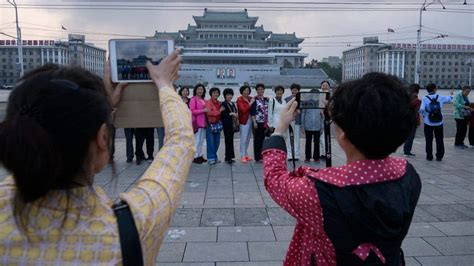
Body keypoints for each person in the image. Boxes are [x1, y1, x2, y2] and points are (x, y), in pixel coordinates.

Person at [0, 49, 195, 264]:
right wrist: (164, 84)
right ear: (103, 138)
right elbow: (180, 140)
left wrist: (104, 108)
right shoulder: (132, 225)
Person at [262, 73, 421, 265]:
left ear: (343, 135)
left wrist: (279, 130)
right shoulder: (408, 174)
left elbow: (275, 179)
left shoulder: (318, 191)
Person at [419, 83, 453, 161]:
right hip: (439, 122)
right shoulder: (440, 97)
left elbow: (421, 109)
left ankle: (429, 156)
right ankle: (439, 156)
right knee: (439, 139)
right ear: (435, 89)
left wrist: (425, 114)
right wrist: (451, 94)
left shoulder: (424, 98)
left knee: (428, 139)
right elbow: (449, 98)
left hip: (428, 122)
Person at [301, 88, 324, 163]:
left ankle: (316, 157)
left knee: (317, 142)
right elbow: (303, 114)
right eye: (313, 93)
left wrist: (322, 127)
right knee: (308, 142)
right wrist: (302, 126)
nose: (315, 95)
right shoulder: (306, 102)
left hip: (317, 126)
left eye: (316, 94)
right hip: (308, 125)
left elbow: (322, 117)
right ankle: (307, 157)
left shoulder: (320, 103)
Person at [250, 83, 269, 163]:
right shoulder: (254, 100)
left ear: (264, 90)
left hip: (265, 123)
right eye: (259, 89)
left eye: (262, 89)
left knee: (263, 140)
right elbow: (253, 112)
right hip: (257, 123)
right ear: (256, 90)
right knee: (257, 140)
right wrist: (254, 122)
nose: (260, 90)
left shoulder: (266, 99)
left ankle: (262, 155)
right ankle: (257, 157)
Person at [190, 84, 208, 164]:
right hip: (196, 122)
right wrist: (202, 111)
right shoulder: (193, 99)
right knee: (196, 140)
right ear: (195, 90)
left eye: (201, 89)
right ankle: (195, 156)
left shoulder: (204, 100)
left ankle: (199, 154)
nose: (200, 91)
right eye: (198, 89)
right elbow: (192, 110)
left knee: (201, 140)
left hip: (203, 122)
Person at [205, 87, 224, 165]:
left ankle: (215, 157)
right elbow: (209, 113)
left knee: (217, 142)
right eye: (214, 93)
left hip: (217, 124)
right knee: (210, 142)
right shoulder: (208, 102)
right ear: (211, 94)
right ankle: (210, 158)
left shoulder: (219, 102)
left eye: (217, 93)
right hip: (210, 124)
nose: (216, 94)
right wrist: (219, 111)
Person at [237, 85, 254, 163]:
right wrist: (250, 103)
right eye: (245, 90)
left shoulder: (250, 98)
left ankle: (246, 154)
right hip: (244, 121)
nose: (246, 92)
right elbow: (243, 110)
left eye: (248, 90)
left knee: (248, 138)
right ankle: (242, 155)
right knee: (243, 139)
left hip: (251, 121)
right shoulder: (239, 99)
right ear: (242, 91)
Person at [403, 84, 422, 156]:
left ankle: (406, 150)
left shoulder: (406, 97)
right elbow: (416, 110)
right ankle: (407, 151)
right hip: (412, 119)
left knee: (408, 135)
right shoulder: (416, 100)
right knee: (411, 136)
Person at [285, 83, 302, 161]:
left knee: (297, 138)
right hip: (289, 120)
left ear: (298, 91)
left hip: (297, 121)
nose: (294, 91)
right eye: (293, 89)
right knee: (288, 138)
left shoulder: (301, 99)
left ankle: (296, 155)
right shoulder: (286, 99)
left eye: (296, 90)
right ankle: (289, 155)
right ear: (290, 90)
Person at [221, 88, 238, 164]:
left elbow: (235, 112)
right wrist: (231, 114)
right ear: (225, 96)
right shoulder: (223, 104)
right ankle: (227, 157)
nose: (230, 96)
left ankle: (230, 156)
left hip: (232, 124)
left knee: (231, 140)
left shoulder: (232, 103)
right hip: (227, 125)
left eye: (231, 95)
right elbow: (223, 115)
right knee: (228, 140)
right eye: (228, 95)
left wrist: (234, 114)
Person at [319, 80, 331, 160]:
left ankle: (326, 153)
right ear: (321, 86)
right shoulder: (319, 95)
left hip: (326, 118)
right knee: (321, 136)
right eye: (323, 85)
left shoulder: (331, 95)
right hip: (319, 117)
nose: (325, 86)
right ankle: (324, 152)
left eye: (326, 85)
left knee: (324, 136)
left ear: (329, 86)